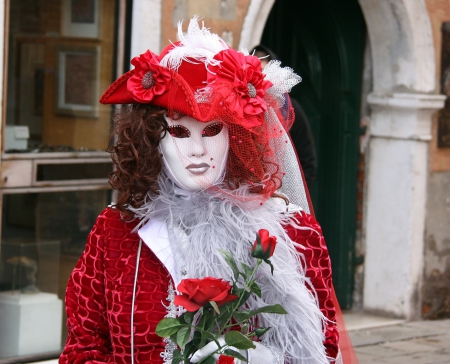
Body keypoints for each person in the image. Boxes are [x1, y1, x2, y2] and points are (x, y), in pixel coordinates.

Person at [59, 18, 347, 364]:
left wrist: (264, 360)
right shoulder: (116, 233)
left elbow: (325, 349)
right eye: (180, 132)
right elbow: (83, 348)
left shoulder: (292, 233)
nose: (197, 149)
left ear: (236, 137)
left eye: (211, 131)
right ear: (152, 139)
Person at [252, 45, 317, 190]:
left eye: (264, 72)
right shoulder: (236, 108)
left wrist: (293, 197)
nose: (260, 78)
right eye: (255, 72)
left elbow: (307, 160)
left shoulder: (290, 109)